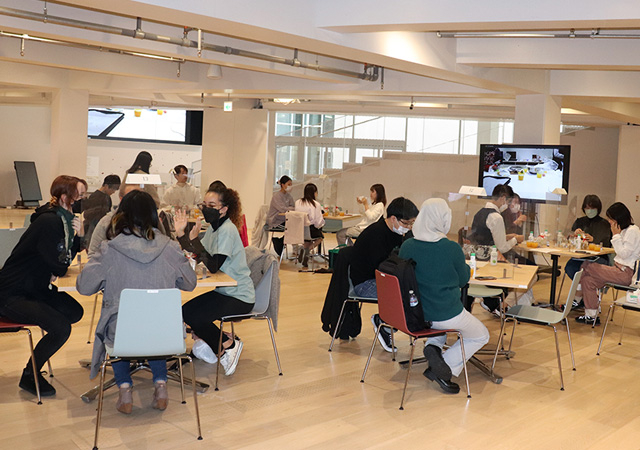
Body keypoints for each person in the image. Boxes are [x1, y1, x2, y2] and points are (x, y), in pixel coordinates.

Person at [77, 190, 196, 414]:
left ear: (121, 216)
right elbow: (190, 283)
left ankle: (124, 389)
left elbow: (84, 287)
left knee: (119, 320)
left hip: (123, 335)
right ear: (153, 216)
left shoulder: (109, 249)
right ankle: (161, 385)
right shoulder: (170, 247)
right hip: (165, 334)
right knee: (153, 322)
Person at [0, 175, 85, 397]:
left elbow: (61, 261)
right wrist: (75, 243)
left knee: (74, 311)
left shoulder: (61, 220)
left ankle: (39, 355)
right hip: (13, 292)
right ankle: (30, 375)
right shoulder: (50, 222)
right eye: (77, 199)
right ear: (65, 197)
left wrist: (78, 238)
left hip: (34, 288)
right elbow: (60, 267)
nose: (79, 204)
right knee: (61, 328)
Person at [399, 198, 490, 394]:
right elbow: (463, 280)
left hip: (417, 314)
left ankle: (433, 347)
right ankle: (443, 367)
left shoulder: (407, 246)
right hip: (445, 312)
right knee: (480, 335)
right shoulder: (450, 248)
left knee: (437, 329)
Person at [175, 187, 255, 376]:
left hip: (239, 295)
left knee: (197, 317)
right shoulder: (214, 228)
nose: (206, 209)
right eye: (204, 205)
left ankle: (227, 347)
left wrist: (194, 242)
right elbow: (199, 254)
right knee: (186, 311)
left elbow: (213, 265)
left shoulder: (227, 230)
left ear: (224, 209)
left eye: (211, 205)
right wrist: (182, 235)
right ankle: (224, 340)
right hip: (224, 291)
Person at [350, 197, 419, 352]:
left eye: (412, 223)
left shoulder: (397, 232)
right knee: (407, 295)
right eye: (406, 223)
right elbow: (382, 268)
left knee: (413, 292)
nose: (408, 227)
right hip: (365, 282)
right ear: (393, 218)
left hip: (382, 279)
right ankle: (383, 322)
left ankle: (390, 324)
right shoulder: (376, 234)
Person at [468, 183, 532, 314]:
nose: (508, 206)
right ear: (503, 198)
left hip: (478, 257)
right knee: (532, 271)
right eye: (508, 202)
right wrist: (515, 239)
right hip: (492, 259)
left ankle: (493, 303)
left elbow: (484, 236)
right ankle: (503, 305)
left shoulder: (479, 213)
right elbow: (502, 247)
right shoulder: (496, 217)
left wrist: (506, 236)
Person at [575, 202, 640, 325]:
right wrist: (617, 235)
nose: (609, 221)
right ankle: (591, 316)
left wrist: (615, 235)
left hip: (625, 273)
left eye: (611, 218)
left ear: (618, 218)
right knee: (587, 281)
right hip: (617, 270)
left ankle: (576, 298)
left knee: (587, 265)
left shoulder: (633, 231)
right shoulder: (623, 231)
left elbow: (624, 254)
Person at [565, 195, 613, 308]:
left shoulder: (604, 224)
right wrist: (574, 235)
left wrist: (594, 240)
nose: (589, 210)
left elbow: (606, 244)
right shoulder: (580, 221)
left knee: (585, 271)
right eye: (587, 208)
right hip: (580, 257)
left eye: (592, 208)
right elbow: (568, 238)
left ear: (598, 208)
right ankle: (583, 295)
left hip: (599, 258)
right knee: (570, 267)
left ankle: (580, 295)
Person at [83, 174, 121, 246]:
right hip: (93, 229)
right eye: (113, 189)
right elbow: (87, 215)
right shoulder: (96, 197)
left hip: (99, 228)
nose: (113, 192)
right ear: (106, 186)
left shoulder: (106, 197)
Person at [295, 183, 325, 267]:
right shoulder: (316, 204)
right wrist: (322, 224)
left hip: (299, 230)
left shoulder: (298, 202)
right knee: (319, 238)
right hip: (310, 229)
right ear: (314, 193)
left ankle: (303, 249)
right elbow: (318, 222)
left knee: (307, 239)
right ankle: (306, 250)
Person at [267, 175, 295, 256]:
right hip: (275, 221)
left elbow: (293, 207)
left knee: (295, 226)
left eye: (291, 184)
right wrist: (288, 208)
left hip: (285, 220)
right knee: (292, 227)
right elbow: (283, 209)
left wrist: (288, 208)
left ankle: (281, 242)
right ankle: (282, 243)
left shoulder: (289, 196)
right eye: (289, 184)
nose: (290, 186)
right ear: (282, 185)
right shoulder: (276, 196)